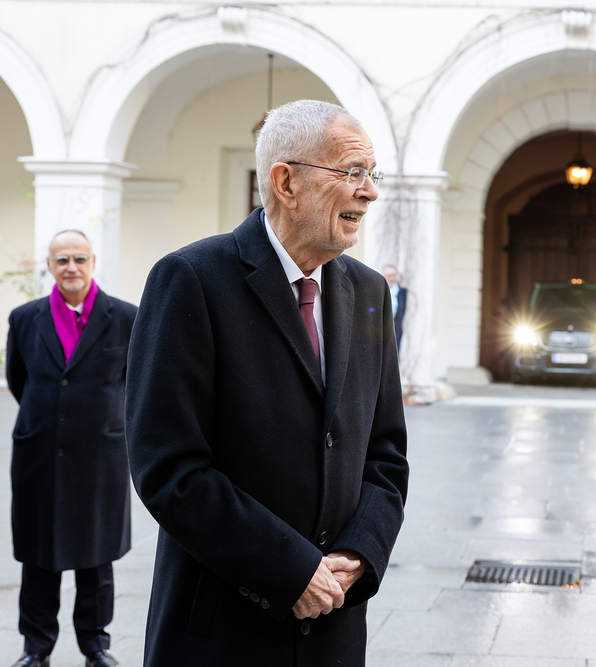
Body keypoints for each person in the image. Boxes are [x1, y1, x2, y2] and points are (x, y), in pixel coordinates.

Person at [125, 100, 409, 667]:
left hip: (333, 627)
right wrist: (288, 570)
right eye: (352, 172)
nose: (370, 191)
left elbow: (385, 453)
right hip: (222, 630)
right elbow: (169, 468)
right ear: (286, 182)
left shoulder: (369, 292)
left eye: (372, 174)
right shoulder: (191, 279)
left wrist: (361, 552)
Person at [5, 230, 137, 667]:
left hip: (100, 457)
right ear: (49, 266)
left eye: (79, 258)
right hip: (39, 456)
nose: (71, 267)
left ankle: (96, 646)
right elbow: (21, 380)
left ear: (93, 261)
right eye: (62, 260)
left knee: (96, 559)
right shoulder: (25, 318)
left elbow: (135, 384)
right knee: (38, 557)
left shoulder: (126, 317)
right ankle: (36, 648)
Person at [383, 264, 407, 351]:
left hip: (396, 328)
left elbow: (403, 310)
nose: (392, 278)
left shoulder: (402, 292)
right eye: (389, 275)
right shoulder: (379, 291)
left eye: (394, 275)